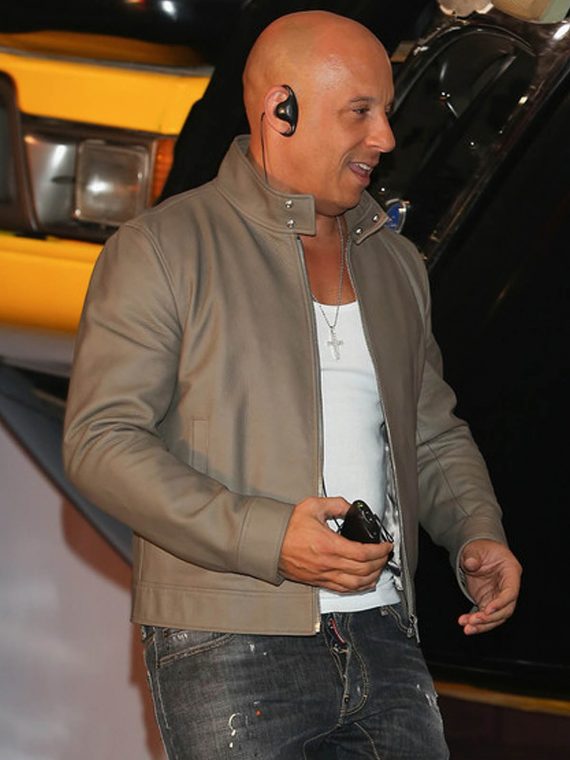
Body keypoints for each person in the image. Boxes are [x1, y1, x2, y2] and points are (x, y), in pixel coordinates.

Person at [63, 11, 521, 759]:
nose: (385, 137)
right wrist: (270, 538)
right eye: (360, 112)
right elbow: (100, 442)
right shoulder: (163, 248)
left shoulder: (396, 262)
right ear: (282, 109)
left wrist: (477, 530)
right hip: (228, 638)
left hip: (386, 631)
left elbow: (431, 431)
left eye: (385, 111)